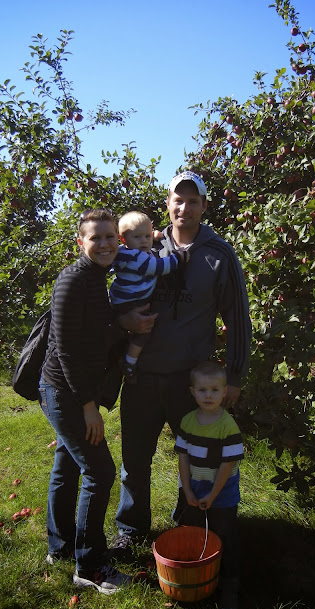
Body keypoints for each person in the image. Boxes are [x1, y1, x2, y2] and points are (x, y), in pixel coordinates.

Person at [111, 170, 251, 556]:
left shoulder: (219, 254)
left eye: (193, 200)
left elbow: (237, 316)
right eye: (178, 199)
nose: (184, 207)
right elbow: (116, 295)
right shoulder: (147, 245)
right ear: (168, 204)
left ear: (204, 206)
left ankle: (191, 521)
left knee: (196, 455)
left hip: (189, 380)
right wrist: (124, 321)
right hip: (141, 374)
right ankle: (131, 527)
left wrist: (235, 374)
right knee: (134, 458)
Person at [38, 209, 153, 595]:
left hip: (71, 390)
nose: (104, 244)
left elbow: (97, 329)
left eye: (109, 237)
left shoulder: (97, 278)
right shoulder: (73, 279)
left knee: (67, 465)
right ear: (80, 242)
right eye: (95, 238)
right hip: (64, 391)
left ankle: (60, 547)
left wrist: (124, 324)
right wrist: (88, 406)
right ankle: (90, 566)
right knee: (101, 472)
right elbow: (67, 350)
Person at [172, 360, 244, 609]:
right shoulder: (188, 421)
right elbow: (183, 458)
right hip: (193, 488)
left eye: (215, 390)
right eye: (202, 390)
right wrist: (187, 491)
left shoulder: (227, 426)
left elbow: (227, 464)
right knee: (193, 530)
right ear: (192, 392)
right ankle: (195, 574)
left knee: (224, 534)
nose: (208, 395)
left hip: (221, 493)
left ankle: (228, 584)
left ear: (224, 392)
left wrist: (213, 495)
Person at [109, 210, 183, 384]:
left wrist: (153, 236)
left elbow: (143, 239)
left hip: (121, 299)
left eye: (147, 236)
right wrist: (178, 258)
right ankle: (129, 362)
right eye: (138, 237)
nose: (144, 241)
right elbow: (159, 267)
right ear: (123, 239)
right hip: (131, 302)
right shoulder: (136, 257)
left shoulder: (124, 251)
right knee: (144, 331)